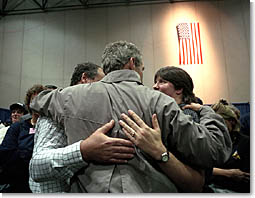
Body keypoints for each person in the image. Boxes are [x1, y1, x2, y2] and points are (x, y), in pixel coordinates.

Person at [30, 40, 232, 193]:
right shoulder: (160, 102)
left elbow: (37, 100)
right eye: (143, 69)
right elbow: (214, 151)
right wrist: (207, 111)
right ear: (132, 63)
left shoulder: (67, 97)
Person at [29, 62, 135, 193]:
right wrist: (83, 151)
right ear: (85, 78)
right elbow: (37, 167)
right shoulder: (56, 109)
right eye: (101, 82)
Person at [119, 66, 211, 192]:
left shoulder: (187, 115)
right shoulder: (161, 112)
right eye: (156, 82)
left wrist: (158, 151)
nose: (155, 86)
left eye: (162, 82)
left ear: (179, 89)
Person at [0, 84, 46, 192]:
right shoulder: (18, 127)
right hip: (18, 182)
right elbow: (5, 153)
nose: (37, 104)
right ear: (28, 105)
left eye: (41, 99)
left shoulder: (51, 127)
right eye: (33, 100)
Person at [207, 99, 250, 193]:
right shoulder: (210, 141)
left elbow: (246, 177)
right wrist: (228, 173)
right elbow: (202, 170)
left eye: (219, 121)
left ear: (232, 122)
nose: (215, 125)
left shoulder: (246, 143)